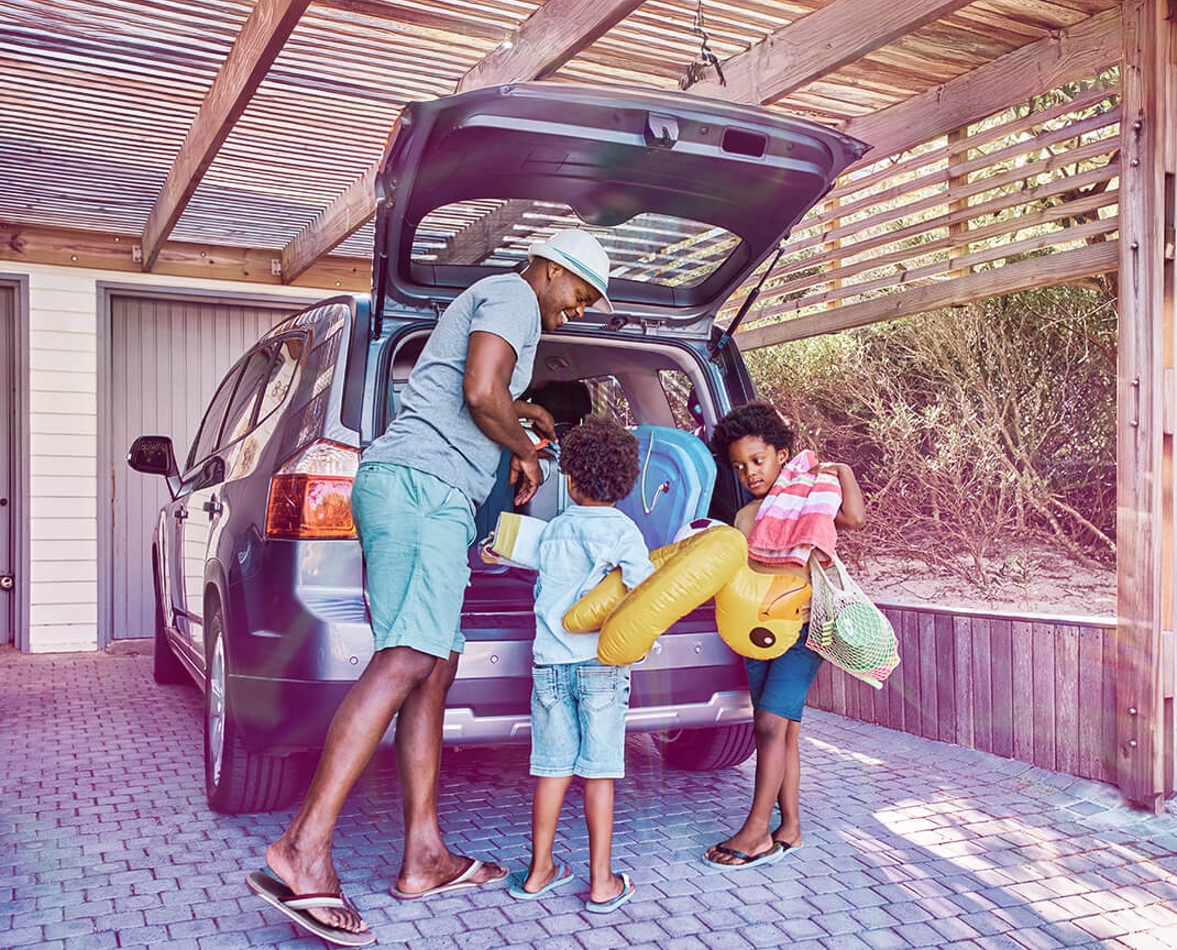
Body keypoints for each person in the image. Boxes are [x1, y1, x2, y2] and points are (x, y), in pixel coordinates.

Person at [249, 229, 613, 947]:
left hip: (427, 493)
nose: (574, 312)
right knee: (409, 657)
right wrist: (525, 451)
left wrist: (528, 416)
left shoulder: (507, 307)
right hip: (424, 490)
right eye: (577, 296)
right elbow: (480, 390)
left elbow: (485, 392)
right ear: (549, 269)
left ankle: (423, 856)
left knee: (432, 669)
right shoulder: (512, 294)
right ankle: (303, 845)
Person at [702, 401, 864, 870]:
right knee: (782, 731)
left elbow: (852, 519)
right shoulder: (747, 517)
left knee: (770, 726)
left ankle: (755, 832)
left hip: (804, 629)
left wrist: (845, 471)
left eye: (758, 460)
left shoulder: (810, 498)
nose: (750, 472)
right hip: (758, 634)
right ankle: (789, 828)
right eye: (739, 466)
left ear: (781, 454)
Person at [508, 416, 652, 914]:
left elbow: (527, 565)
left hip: (549, 665)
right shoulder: (625, 532)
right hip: (600, 668)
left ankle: (539, 870)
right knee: (599, 772)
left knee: (550, 769)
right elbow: (645, 590)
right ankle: (600, 881)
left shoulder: (554, 530)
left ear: (569, 480)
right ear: (626, 482)